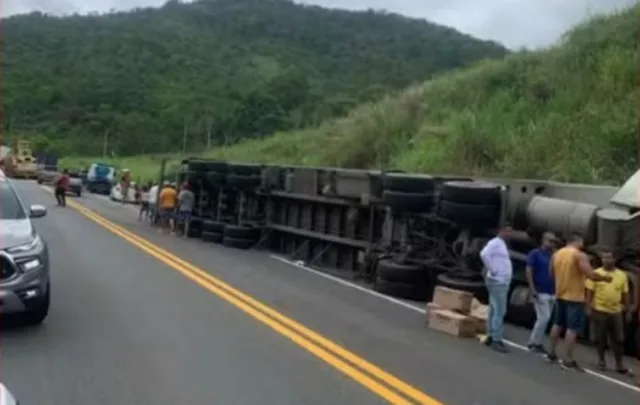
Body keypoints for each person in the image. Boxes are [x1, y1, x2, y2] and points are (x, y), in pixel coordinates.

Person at [545, 234, 613, 370]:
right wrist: (605, 278)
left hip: (560, 294)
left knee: (557, 324)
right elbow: (590, 274)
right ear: (577, 241)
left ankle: (551, 353)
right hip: (574, 297)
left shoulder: (557, 254)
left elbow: (551, 273)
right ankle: (568, 359)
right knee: (572, 328)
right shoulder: (579, 255)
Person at [586, 249, 632, 375]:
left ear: (614, 259)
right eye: (604, 258)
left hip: (616, 311)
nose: (606, 260)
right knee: (600, 338)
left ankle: (619, 364)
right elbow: (590, 292)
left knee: (619, 339)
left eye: (609, 258)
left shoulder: (622, 275)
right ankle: (601, 360)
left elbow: (625, 293)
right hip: (600, 310)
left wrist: (628, 310)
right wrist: (588, 307)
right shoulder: (596, 274)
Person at [480, 223, 513, 353]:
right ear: (501, 230)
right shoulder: (496, 242)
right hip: (498, 281)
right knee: (500, 310)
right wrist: (492, 269)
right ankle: (497, 339)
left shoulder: (501, 244)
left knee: (493, 309)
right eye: (508, 231)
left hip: (499, 280)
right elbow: (484, 254)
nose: (510, 234)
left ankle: (490, 335)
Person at [525, 232, 557, 353]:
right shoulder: (535, 254)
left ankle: (537, 342)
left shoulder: (552, 256)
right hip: (540, 290)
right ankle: (533, 342)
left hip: (551, 291)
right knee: (544, 317)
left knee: (545, 319)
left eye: (554, 241)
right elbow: (529, 271)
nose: (552, 243)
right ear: (543, 240)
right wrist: (532, 289)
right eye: (550, 241)